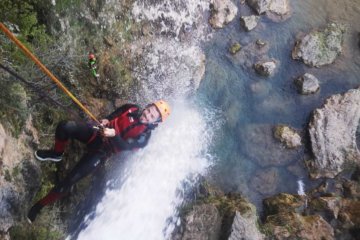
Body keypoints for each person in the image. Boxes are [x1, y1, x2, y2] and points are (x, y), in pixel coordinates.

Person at [27, 100, 171, 223]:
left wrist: (114, 134)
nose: (147, 115)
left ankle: (38, 206)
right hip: (97, 133)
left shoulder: (144, 137)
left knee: (69, 181)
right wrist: (107, 120)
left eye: (152, 116)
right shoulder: (131, 108)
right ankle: (56, 153)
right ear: (147, 106)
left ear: (155, 122)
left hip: (103, 151)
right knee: (65, 127)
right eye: (149, 110)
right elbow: (116, 114)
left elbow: (125, 146)